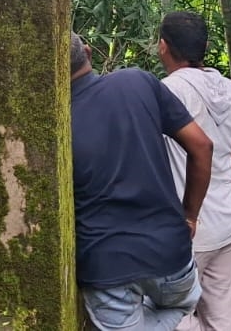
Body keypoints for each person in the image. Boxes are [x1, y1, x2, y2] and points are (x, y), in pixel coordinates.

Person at [70, 31, 215, 330]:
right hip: (171, 253)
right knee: (185, 301)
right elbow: (202, 145)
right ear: (88, 51)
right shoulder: (137, 82)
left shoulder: (55, 122)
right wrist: (190, 216)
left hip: (106, 267)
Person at [157, 11, 231, 331]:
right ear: (204, 47)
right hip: (228, 221)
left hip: (188, 227)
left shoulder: (167, 91)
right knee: (221, 317)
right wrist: (223, 158)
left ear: (163, 46)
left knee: (172, 319)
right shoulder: (226, 85)